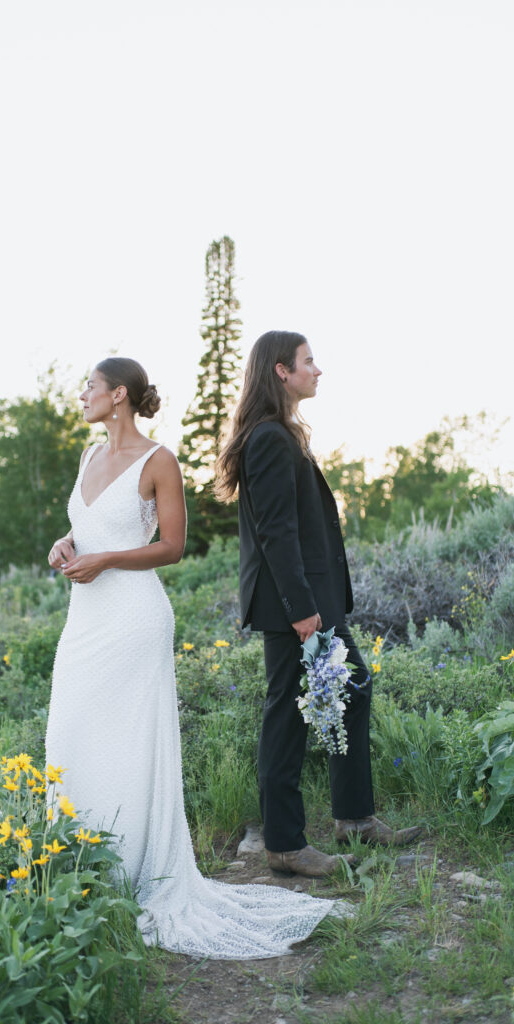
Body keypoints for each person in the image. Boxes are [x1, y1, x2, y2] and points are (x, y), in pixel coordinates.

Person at [45, 356, 345, 959]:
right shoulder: (87, 458)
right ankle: (81, 866)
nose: (82, 395)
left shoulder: (159, 461)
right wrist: (69, 543)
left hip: (133, 618)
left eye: (90, 387)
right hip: (86, 622)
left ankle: (136, 872)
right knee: (72, 733)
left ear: (119, 394)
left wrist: (103, 561)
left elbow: (172, 546)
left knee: (128, 742)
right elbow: (87, 529)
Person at [215, 331, 422, 878]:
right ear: (281, 371)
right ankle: (284, 844)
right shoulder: (267, 439)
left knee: (351, 688)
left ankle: (354, 819)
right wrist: (303, 610)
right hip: (293, 606)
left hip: (308, 602)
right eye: (310, 361)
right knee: (287, 714)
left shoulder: (282, 435)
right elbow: (277, 535)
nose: (318, 370)